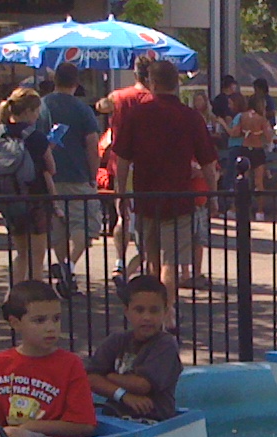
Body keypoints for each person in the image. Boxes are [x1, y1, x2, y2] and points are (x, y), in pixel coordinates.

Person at [113, 58, 219, 332]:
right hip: (179, 199)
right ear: (177, 83)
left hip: (146, 198)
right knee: (171, 261)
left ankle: (149, 311)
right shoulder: (190, 117)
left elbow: (121, 159)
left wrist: (121, 193)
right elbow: (208, 162)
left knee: (152, 259)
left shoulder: (136, 114)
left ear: (152, 83)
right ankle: (167, 312)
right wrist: (214, 195)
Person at [0, 280, 95, 437]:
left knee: (13, 436)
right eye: (39, 320)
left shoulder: (70, 364)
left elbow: (84, 425)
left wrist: (31, 427)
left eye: (56, 319)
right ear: (15, 323)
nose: (51, 327)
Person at [0, 87, 56, 287]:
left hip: (9, 199)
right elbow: (51, 168)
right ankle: (35, 293)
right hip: (35, 198)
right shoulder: (35, 137)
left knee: (21, 253)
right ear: (29, 111)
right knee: (37, 254)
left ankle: (14, 293)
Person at [39, 61, 100, 297]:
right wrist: (93, 175)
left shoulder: (42, 106)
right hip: (77, 176)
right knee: (86, 226)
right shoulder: (82, 109)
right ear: (76, 83)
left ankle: (65, 270)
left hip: (50, 177)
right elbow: (92, 144)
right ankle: (69, 266)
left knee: (58, 229)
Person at [85, 274, 183, 419]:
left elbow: (142, 385)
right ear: (127, 312)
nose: (147, 317)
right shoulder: (117, 340)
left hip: (153, 419)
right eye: (139, 310)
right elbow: (89, 378)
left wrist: (108, 376)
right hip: (115, 413)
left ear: (165, 312)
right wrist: (122, 395)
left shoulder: (165, 344)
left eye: (154, 310)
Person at [98, 55, 157, 286]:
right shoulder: (154, 99)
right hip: (146, 164)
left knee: (123, 214)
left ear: (135, 73)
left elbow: (102, 105)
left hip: (119, 162)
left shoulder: (120, 97)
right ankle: (141, 263)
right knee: (147, 219)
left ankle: (120, 261)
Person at [237, 95, 273, 220]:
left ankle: (240, 208)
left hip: (245, 148)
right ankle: (260, 211)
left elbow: (237, 132)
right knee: (258, 182)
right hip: (257, 150)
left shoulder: (243, 116)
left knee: (243, 180)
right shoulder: (262, 119)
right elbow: (269, 138)